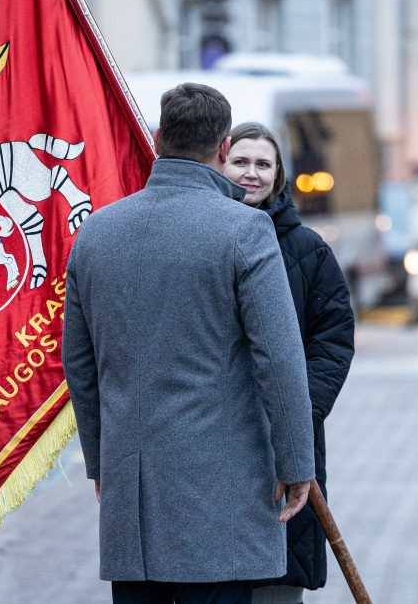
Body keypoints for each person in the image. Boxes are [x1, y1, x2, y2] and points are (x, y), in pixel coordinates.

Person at [63, 84, 315, 603]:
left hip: (131, 498)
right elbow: (280, 360)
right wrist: (296, 465)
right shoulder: (245, 231)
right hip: (220, 502)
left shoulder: (96, 232)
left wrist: (100, 464)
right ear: (224, 148)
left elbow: (80, 367)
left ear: (158, 139)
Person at [223, 122, 355, 604]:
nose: (251, 174)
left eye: (263, 164)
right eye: (240, 162)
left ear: (279, 177)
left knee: (277, 580)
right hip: (216, 435)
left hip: (286, 444)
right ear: (219, 163)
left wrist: (299, 413)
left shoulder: (308, 251)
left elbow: (333, 340)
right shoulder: (200, 240)